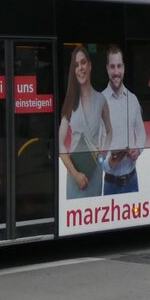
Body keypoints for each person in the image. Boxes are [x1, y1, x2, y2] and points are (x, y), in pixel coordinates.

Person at [59, 46, 111, 199]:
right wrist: (75, 174)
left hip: (94, 174)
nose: (80, 68)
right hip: (75, 175)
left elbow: (110, 131)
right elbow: (60, 144)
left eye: (83, 63)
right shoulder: (69, 101)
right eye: (76, 65)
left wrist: (102, 155)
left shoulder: (101, 100)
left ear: (90, 65)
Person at [101, 45, 145, 195]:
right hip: (110, 184)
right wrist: (108, 164)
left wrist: (138, 150)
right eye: (112, 67)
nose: (116, 72)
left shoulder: (133, 100)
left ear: (124, 68)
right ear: (107, 69)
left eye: (119, 66)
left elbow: (142, 133)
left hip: (132, 181)